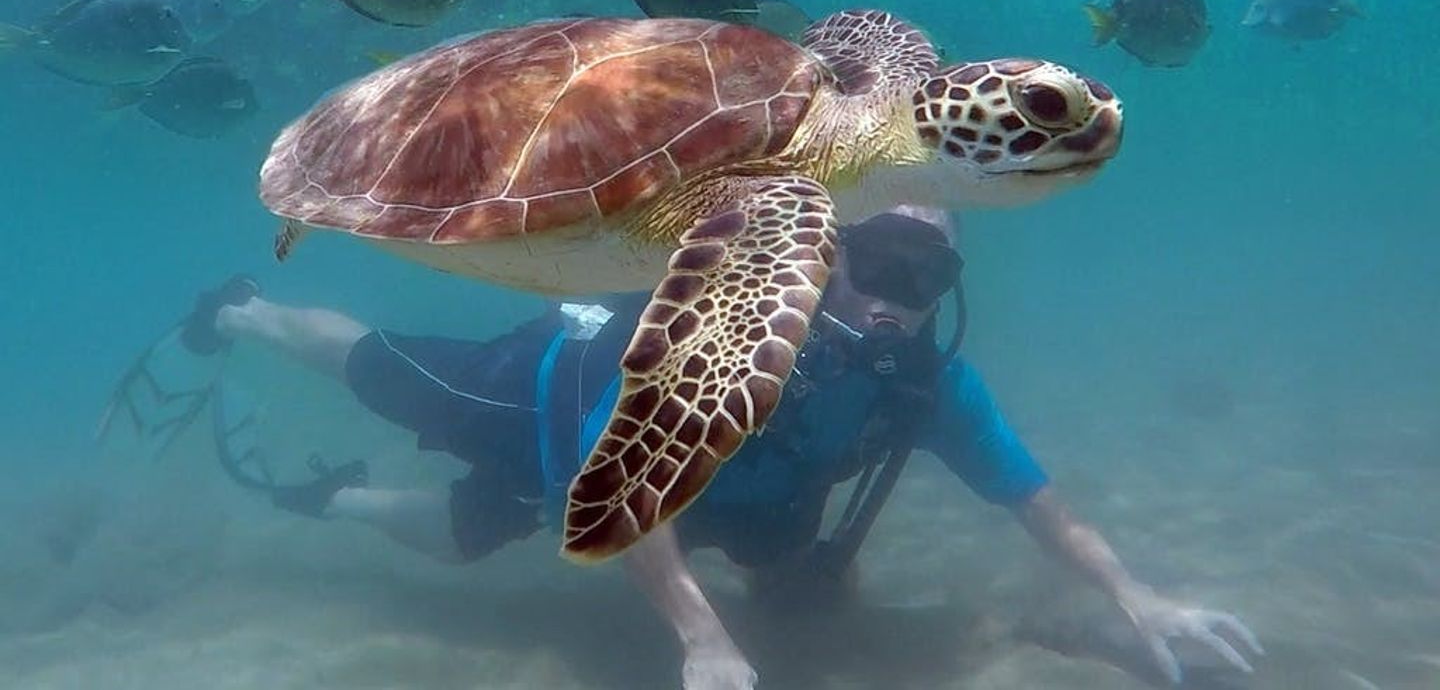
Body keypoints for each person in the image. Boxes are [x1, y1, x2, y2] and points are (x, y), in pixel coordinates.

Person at [125, 207, 1261, 689]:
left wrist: (1137, 598)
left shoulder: (926, 383)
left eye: (927, 280)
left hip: (722, 491)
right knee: (388, 376)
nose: (893, 300)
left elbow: (1037, 501)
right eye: (878, 265)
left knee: (477, 541)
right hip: (542, 403)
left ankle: (334, 504)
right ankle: (243, 316)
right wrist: (703, 639)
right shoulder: (713, 341)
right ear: (830, 259)